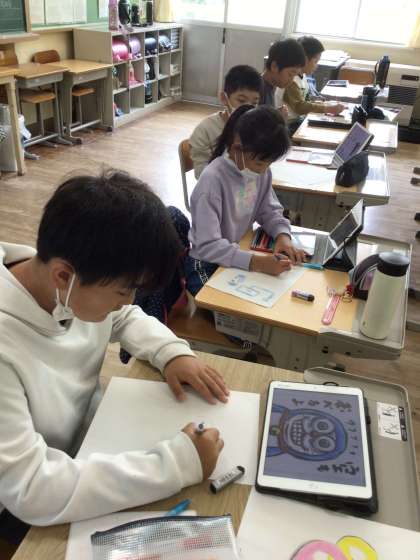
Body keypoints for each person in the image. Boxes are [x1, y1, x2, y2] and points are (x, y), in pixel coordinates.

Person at [0, 170, 228, 530]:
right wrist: (178, 463)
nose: (128, 300)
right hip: (29, 498)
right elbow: (31, 489)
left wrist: (171, 352)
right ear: (63, 276)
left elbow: (122, 317)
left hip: (93, 440)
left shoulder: (63, 286)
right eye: (124, 290)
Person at [185, 105, 306, 296]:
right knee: (225, 304)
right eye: (259, 163)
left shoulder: (258, 172)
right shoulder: (212, 182)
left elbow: (269, 211)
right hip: (206, 262)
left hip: (238, 253)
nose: (263, 170)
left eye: (269, 164)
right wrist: (257, 263)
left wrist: (283, 236)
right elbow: (208, 246)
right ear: (237, 148)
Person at [189, 65, 262, 179]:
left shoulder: (258, 127)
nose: (248, 109)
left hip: (249, 185)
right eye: (241, 100)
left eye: (254, 103)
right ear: (224, 98)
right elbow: (202, 176)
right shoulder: (205, 131)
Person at [284, 36, 345, 130]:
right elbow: (299, 107)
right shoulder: (291, 80)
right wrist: (327, 108)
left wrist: (320, 103)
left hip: (297, 120)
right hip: (289, 125)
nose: (317, 65)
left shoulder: (302, 76)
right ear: (305, 59)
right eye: (316, 61)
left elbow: (304, 99)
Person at [261, 39, 306, 118]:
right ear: (274, 66)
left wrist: (275, 113)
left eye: (294, 76)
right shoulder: (258, 90)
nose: (291, 80)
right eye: (290, 74)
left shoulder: (272, 87)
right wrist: (276, 117)